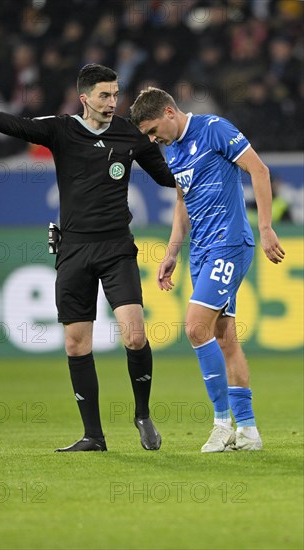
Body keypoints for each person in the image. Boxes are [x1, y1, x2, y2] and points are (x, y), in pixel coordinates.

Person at [0, 64, 176, 452]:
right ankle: (93, 436)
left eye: (115, 94)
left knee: (134, 335)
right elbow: (17, 126)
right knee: (75, 344)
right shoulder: (62, 129)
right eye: (104, 95)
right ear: (84, 98)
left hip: (117, 247)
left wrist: (208, 159)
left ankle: (142, 413)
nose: (112, 102)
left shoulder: (130, 135)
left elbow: (167, 176)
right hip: (74, 249)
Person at [130, 87, 285, 452]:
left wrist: (264, 228)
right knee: (225, 336)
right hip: (200, 251)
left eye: (153, 130)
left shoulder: (214, 128)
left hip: (229, 244)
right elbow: (183, 200)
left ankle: (221, 424)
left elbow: (259, 170)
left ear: (169, 112)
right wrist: (172, 252)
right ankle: (248, 431)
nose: (153, 139)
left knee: (196, 327)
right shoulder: (173, 150)